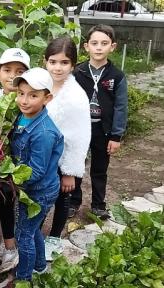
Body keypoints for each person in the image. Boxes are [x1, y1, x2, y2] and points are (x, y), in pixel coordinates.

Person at [10, 68, 64, 282]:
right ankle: (40, 266)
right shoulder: (23, 117)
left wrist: (10, 179)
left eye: (33, 95)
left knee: (23, 235)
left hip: (39, 192)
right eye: (21, 93)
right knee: (32, 231)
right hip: (34, 190)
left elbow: (37, 171)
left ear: (47, 98)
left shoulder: (43, 133)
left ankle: (23, 279)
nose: (24, 100)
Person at [71, 24, 128, 220]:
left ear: (112, 47)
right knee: (76, 164)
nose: (98, 47)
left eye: (104, 43)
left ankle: (98, 204)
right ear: (86, 46)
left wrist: (116, 136)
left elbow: (121, 107)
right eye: (94, 43)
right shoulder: (77, 73)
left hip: (102, 131)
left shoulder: (117, 76)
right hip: (80, 128)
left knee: (99, 169)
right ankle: (73, 201)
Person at [43, 37, 91, 255]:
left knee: (63, 199)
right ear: (45, 61)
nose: (58, 67)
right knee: (39, 196)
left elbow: (80, 136)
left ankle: (54, 237)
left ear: (73, 64)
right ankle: (33, 233)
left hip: (63, 161)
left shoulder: (75, 96)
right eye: (53, 61)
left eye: (64, 62)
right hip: (42, 157)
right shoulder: (40, 85)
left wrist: (70, 172)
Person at [0, 47, 30, 273]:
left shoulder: (27, 100)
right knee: (4, 200)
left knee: (16, 203)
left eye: (19, 71)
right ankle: (8, 243)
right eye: (7, 70)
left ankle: (11, 247)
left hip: (22, 163)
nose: (11, 76)